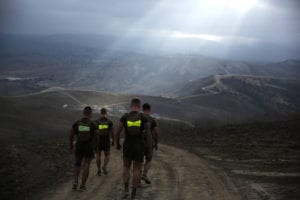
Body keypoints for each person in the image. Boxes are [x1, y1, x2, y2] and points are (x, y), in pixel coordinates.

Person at [115, 98, 152, 199]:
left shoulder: (125, 117)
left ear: (131, 105)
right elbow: (149, 135)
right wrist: (149, 149)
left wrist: (117, 143)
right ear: (139, 106)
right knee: (137, 169)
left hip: (127, 145)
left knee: (126, 167)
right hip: (139, 146)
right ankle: (133, 194)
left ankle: (126, 190)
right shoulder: (144, 118)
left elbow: (117, 132)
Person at [69, 106, 97, 191]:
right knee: (86, 165)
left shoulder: (77, 123)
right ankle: (82, 185)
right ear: (90, 114)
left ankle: (75, 182)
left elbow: (71, 135)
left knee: (77, 164)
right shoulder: (93, 124)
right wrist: (95, 146)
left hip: (79, 146)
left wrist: (71, 145)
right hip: (88, 147)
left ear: (83, 113)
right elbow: (97, 135)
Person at [141, 103, 159, 185]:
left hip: (138, 142)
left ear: (142, 109)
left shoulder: (139, 117)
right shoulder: (152, 119)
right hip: (149, 142)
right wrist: (156, 143)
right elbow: (156, 133)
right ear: (149, 109)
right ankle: (144, 174)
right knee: (148, 159)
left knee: (138, 161)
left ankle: (137, 180)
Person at [94, 108, 114, 176]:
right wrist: (113, 140)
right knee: (107, 155)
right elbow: (112, 132)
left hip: (98, 141)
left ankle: (99, 170)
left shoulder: (96, 121)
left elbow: (94, 132)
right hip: (106, 141)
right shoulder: (109, 122)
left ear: (100, 112)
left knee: (98, 155)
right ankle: (104, 166)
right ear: (106, 113)